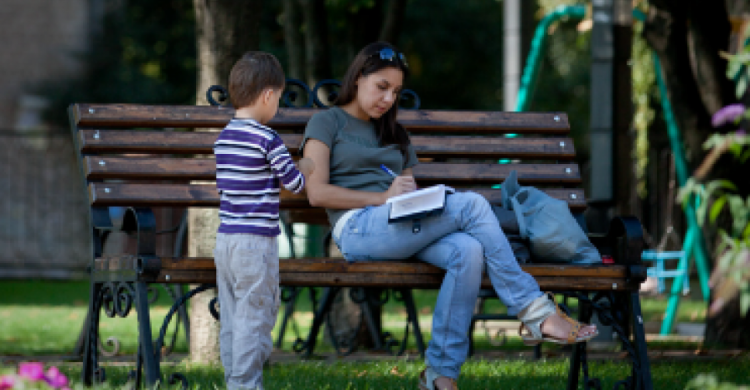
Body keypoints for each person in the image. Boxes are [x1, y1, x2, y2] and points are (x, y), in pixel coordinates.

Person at [300, 42, 597, 390]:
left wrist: (410, 196)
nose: (388, 99)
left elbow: (409, 189)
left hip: (401, 225)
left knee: (467, 251)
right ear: (358, 77)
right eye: (382, 87)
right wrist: (381, 196)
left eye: (395, 91)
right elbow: (316, 192)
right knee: (471, 204)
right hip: (358, 229)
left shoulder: (394, 133)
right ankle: (536, 312)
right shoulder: (326, 122)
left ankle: (440, 375)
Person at [213, 51, 315, 390]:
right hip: (255, 244)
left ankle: (234, 381)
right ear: (268, 95)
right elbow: (295, 185)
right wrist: (307, 168)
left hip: (225, 242)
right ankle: (246, 384)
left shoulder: (224, 138)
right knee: (254, 319)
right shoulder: (268, 139)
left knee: (232, 316)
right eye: (279, 99)